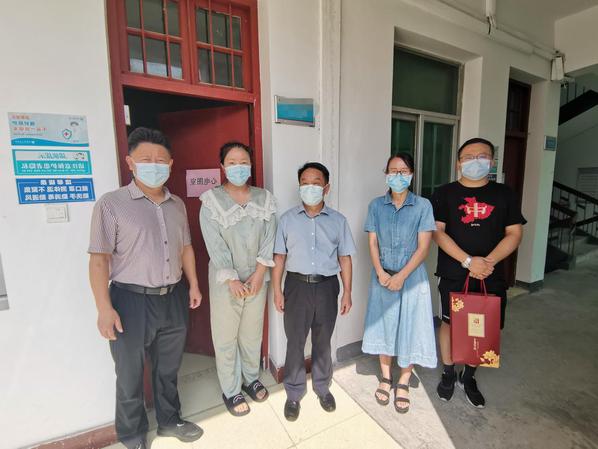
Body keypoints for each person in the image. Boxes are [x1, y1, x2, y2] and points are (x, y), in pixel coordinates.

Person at [88, 127, 203, 449]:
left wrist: (193, 284)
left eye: (160, 160)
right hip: (130, 301)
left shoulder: (177, 204)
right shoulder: (111, 204)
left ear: (171, 164)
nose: (154, 165)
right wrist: (103, 308)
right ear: (130, 162)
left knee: (168, 368)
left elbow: (186, 248)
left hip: (173, 297)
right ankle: (132, 434)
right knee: (129, 373)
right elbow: (99, 260)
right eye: (145, 159)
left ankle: (169, 421)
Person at [431, 137, 525, 408]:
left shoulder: (504, 194)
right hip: (454, 272)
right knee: (449, 323)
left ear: (492, 162)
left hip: (490, 274)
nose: (475, 161)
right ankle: (449, 373)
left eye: (482, 156)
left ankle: (468, 376)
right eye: (468, 157)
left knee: (484, 326)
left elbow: (514, 233)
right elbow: (437, 232)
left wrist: (487, 263)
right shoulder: (444, 193)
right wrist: (468, 261)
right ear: (458, 163)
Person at [272, 162, 356, 422]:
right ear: (299, 187)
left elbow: (345, 259)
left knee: (323, 340)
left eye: (316, 183)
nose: (310, 187)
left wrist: (347, 292)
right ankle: (294, 392)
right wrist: (277, 290)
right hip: (296, 287)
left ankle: (322, 387)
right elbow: (279, 258)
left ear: (326, 188)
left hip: (327, 286)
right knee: (295, 341)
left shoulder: (338, 221)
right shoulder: (287, 220)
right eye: (305, 183)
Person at [199, 142, 277, 417]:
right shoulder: (211, 201)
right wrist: (232, 279)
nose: (238, 167)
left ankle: (251, 378)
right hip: (226, 281)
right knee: (225, 335)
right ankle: (231, 389)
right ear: (222, 166)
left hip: (257, 277)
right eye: (232, 163)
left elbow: (270, 237)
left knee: (252, 332)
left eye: (243, 162)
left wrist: (259, 273)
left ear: (251, 165)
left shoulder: (264, 198)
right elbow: (214, 243)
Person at [362, 153, 437, 414]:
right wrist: (380, 272)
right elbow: (372, 242)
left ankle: (404, 380)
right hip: (382, 276)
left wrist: (401, 276)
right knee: (383, 325)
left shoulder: (423, 206)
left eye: (403, 171)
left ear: (412, 174)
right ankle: (386, 377)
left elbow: (424, 247)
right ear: (386, 174)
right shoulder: (376, 205)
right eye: (393, 171)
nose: (398, 175)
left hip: (412, 278)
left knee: (411, 327)